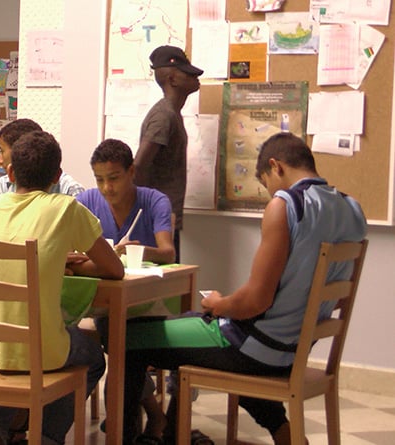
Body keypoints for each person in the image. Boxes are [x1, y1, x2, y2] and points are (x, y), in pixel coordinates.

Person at [120, 133, 367, 445]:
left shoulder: (285, 205)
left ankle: (134, 436)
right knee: (210, 332)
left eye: (266, 183)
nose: (269, 194)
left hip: (257, 348)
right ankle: (284, 434)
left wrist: (220, 304)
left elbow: (255, 301)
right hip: (292, 349)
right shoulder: (352, 209)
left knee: (128, 336)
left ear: (275, 166)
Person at [0, 130, 124, 445]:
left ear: (9, 173)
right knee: (93, 357)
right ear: (56, 176)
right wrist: (69, 264)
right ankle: (47, 437)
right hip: (38, 350)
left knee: (6, 348)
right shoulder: (66, 208)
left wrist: (50, 262)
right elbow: (114, 269)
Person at [76, 138, 175, 438]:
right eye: (100, 179)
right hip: (103, 300)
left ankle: (123, 421)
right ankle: (140, 417)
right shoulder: (87, 201)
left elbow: (168, 252)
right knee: (116, 335)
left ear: (132, 171)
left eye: (114, 178)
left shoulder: (154, 201)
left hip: (149, 300)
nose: (107, 188)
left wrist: (139, 249)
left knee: (120, 338)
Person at [133, 45, 203, 263]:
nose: (195, 77)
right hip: (158, 222)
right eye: (188, 73)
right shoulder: (164, 116)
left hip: (164, 219)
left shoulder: (172, 113)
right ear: (172, 79)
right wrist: (149, 215)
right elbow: (138, 167)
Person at [0, 118, 85, 197]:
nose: (0, 160)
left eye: (2, 151)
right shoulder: (3, 185)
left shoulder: (70, 190)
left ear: (21, 150)